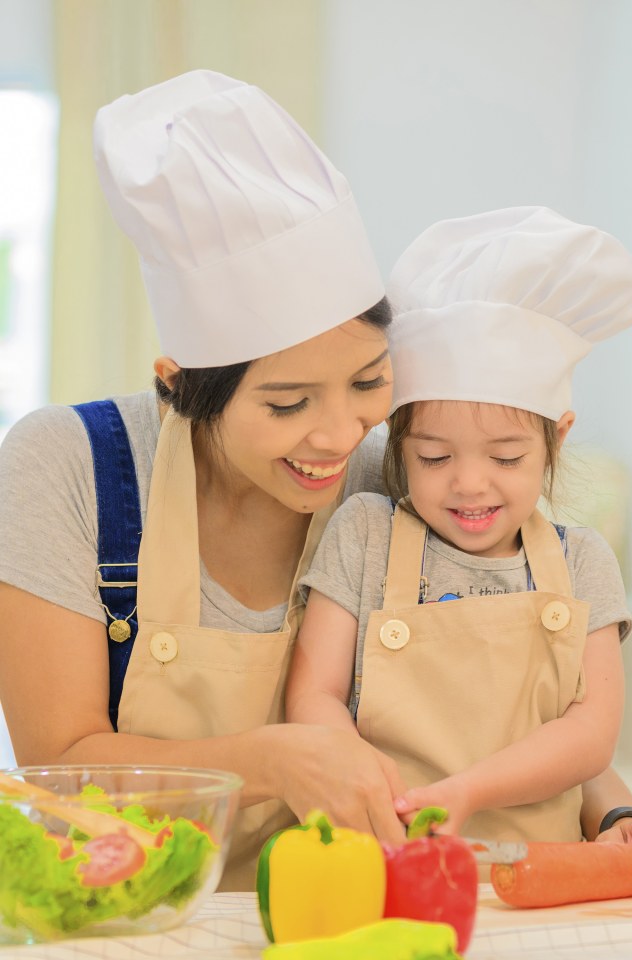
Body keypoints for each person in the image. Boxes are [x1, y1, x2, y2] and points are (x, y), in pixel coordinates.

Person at [0, 69, 408, 891]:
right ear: (178, 382)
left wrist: (609, 808)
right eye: (289, 403)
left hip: (343, 913)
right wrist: (270, 760)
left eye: (369, 383)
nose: (338, 436)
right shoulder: (67, 465)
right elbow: (59, 762)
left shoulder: (385, 482)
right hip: (125, 915)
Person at [287, 206, 632, 843]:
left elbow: (591, 736)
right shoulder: (364, 533)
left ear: (556, 438)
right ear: (397, 441)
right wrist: (382, 793)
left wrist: (465, 793)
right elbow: (313, 696)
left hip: (538, 875)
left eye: (506, 457)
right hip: (388, 851)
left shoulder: (583, 564)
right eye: (434, 457)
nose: (469, 483)